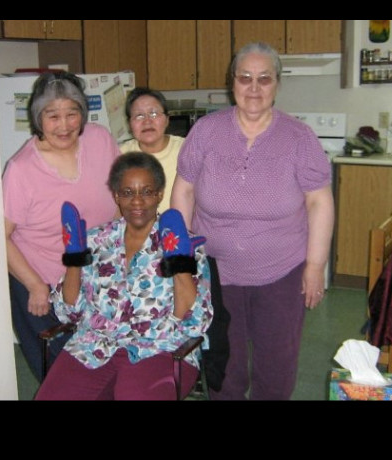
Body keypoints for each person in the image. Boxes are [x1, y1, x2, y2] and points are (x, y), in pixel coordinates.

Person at [171, 42, 334, 400]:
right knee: (223, 365)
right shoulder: (206, 132)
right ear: (232, 82)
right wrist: (182, 260)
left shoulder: (299, 137)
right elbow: (183, 192)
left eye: (264, 78)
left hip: (282, 271)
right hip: (215, 270)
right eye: (245, 78)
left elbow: (320, 202)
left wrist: (315, 265)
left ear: (277, 84)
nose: (254, 88)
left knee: (276, 366)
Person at [35, 152, 212, 400]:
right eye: (127, 193)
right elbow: (70, 312)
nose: (137, 201)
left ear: (160, 194)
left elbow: (195, 322)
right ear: (117, 196)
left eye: (147, 191)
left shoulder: (186, 243)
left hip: (160, 348)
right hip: (95, 344)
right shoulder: (96, 240)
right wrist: (75, 257)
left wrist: (179, 261)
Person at [2, 71, 121, 382]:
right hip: (44, 283)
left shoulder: (100, 139)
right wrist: (34, 285)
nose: (65, 124)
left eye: (72, 113)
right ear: (38, 118)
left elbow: (122, 197)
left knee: (103, 366)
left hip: (98, 280)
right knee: (62, 375)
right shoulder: (21, 169)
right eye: (53, 115)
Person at [119, 87, 185, 213]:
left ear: (167, 119)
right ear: (129, 124)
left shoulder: (187, 150)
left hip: (181, 228)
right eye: (139, 116)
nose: (147, 121)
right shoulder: (120, 155)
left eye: (154, 114)